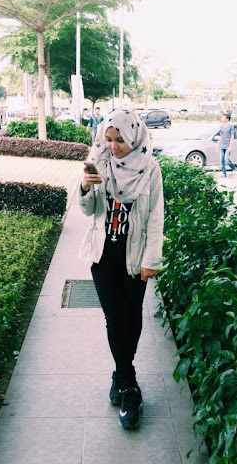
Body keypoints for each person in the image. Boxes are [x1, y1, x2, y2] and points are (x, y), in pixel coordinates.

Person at [78, 108, 164, 430]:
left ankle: (119, 374)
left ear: (134, 138)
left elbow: (155, 217)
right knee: (115, 317)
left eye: (119, 140)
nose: (113, 146)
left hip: (135, 256)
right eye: (109, 139)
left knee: (131, 315)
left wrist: (151, 260)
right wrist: (85, 187)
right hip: (102, 254)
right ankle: (129, 386)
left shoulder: (150, 168)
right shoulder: (99, 162)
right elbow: (89, 211)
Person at [215, 113, 236, 178]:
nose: (222, 119)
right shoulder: (221, 127)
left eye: (223, 118)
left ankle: (234, 168)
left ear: (227, 119)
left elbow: (232, 136)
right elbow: (221, 137)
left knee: (227, 159)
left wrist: (230, 146)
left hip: (228, 145)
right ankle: (224, 174)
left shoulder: (231, 126)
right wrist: (217, 146)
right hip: (222, 145)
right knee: (222, 160)